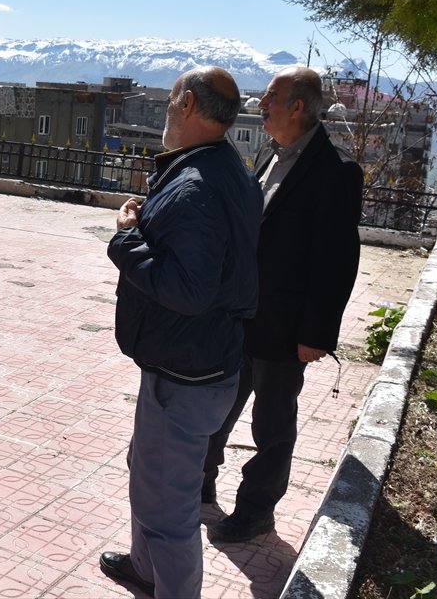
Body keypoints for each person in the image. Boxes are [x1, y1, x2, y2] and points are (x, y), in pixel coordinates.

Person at [99, 67, 262, 598]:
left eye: (170, 102)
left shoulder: (197, 184)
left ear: (187, 103)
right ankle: (147, 570)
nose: (167, 111)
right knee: (148, 476)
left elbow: (188, 290)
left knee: (168, 504)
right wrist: (152, 221)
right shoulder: (222, 169)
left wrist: (125, 239)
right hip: (193, 362)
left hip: (187, 373)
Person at [205, 66, 364, 543]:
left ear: (298, 106)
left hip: (284, 327)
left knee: (272, 426)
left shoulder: (335, 173)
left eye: (271, 96)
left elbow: (337, 261)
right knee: (217, 406)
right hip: (243, 316)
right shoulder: (270, 157)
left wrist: (316, 334)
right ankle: (199, 483)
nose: (260, 103)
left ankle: (255, 510)